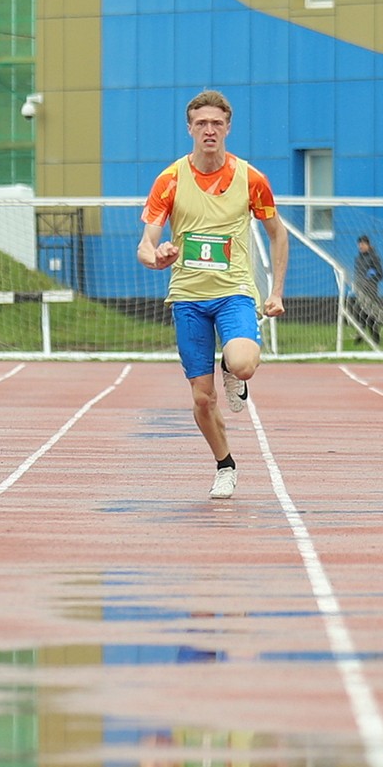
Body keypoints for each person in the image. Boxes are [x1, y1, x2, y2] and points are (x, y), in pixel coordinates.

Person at [137, 90, 288, 501]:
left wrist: (276, 291)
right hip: (188, 298)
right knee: (203, 400)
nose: (209, 130)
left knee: (243, 364)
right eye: (201, 123)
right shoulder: (170, 180)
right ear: (189, 128)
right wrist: (157, 257)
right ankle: (225, 465)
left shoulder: (251, 179)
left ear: (228, 128)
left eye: (216, 123)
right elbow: (145, 245)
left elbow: (278, 233)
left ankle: (229, 365)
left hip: (234, 291)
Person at [351, 234, 383, 343]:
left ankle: (375, 338)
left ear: (368, 245)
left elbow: (380, 274)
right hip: (360, 289)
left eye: (363, 244)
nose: (361, 246)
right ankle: (360, 335)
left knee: (369, 314)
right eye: (359, 244)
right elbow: (357, 273)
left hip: (370, 290)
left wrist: (371, 276)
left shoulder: (374, 257)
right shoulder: (358, 259)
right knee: (358, 311)